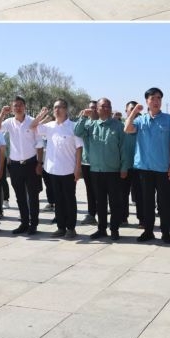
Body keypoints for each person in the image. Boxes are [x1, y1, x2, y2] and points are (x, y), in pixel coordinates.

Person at [124, 88, 170, 243]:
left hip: (163, 169)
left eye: (159, 98)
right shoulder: (141, 120)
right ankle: (148, 231)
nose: (156, 101)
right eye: (153, 98)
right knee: (147, 202)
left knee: (164, 202)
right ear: (147, 101)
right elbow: (127, 128)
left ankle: (166, 232)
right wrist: (134, 111)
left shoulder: (168, 120)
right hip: (144, 168)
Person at [74, 98, 128, 240]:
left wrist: (124, 167)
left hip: (113, 171)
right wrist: (83, 116)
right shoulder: (91, 125)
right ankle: (101, 229)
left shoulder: (118, 126)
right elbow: (77, 132)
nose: (106, 108)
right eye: (103, 106)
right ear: (97, 109)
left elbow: (124, 148)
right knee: (100, 202)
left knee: (115, 202)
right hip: (96, 171)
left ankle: (114, 229)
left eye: (108, 106)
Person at [30, 99, 83, 239]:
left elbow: (79, 148)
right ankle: (61, 227)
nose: (57, 110)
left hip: (69, 170)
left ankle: (71, 228)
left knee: (69, 200)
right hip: (52, 170)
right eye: (55, 107)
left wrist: (78, 168)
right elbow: (32, 126)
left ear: (66, 109)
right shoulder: (49, 126)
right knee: (58, 200)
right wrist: (41, 115)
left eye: (60, 107)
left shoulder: (74, 126)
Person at [0, 97, 41, 235]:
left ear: (25, 106)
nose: (18, 108)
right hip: (15, 165)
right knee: (20, 196)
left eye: (20, 105)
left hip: (31, 164)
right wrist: (2, 114)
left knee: (33, 196)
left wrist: (39, 163)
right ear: (12, 108)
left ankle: (33, 224)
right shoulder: (9, 122)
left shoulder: (32, 121)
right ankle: (24, 223)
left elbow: (39, 143)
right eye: (15, 106)